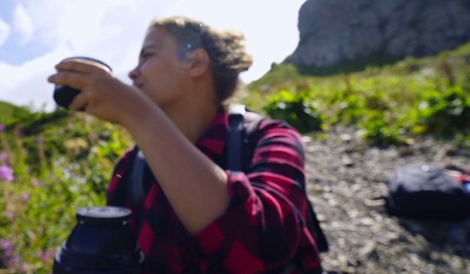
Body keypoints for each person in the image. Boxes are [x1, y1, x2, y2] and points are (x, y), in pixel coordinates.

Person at [47, 16, 323, 273]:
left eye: (147, 56)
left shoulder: (270, 138)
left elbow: (264, 245)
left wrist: (140, 115)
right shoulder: (131, 167)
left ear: (195, 63)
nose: (132, 73)